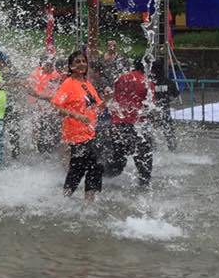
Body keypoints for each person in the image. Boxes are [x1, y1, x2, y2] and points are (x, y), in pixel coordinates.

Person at [51, 50, 104, 201]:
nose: (82, 64)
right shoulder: (68, 84)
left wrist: (107, 100)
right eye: (78, 62)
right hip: (75, 134)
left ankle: (81, 199)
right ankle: (73, 200)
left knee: (88, 166)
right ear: (71, 66)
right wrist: (77, 115)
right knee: (87, 166)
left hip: (90, 132)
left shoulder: (87, 84)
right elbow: (56, 106)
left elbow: (97, 106)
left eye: (83, 61)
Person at [106, 59, 155, 187]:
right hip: (137, 125)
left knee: (118, 158)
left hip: (118, 123)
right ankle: (144, 186)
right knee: (144, 159)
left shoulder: (121, 78)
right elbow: (150, 106)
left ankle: (104, 179)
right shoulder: (147, 82)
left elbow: (114, 97)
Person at [26, 53, 63, 156]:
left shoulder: (56, 75)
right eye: (48, 65)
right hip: (38, 108)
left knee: (54, 132)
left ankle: (53, 153)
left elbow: (59, 91)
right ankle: (39, 153)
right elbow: (30, 91)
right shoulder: (35, 74)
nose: (50, 67)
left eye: (52, 65)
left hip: (52, 108)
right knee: (40, 132)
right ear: (42, 64)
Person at [0, 51, 20, 159]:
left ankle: (10, 153)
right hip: (5, 104)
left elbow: (17, 84)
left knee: (10, 131)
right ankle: (12, 154)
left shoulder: (7, 70)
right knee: (11, 131)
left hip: (6, 104)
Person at [150, 58, 178, 150]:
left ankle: (152, 149)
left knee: (149, 132)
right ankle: (172, 149)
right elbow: (175, 94)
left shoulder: (149, 82)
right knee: (169, 132)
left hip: (152, 111)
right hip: (165, 110)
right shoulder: (168, 82)